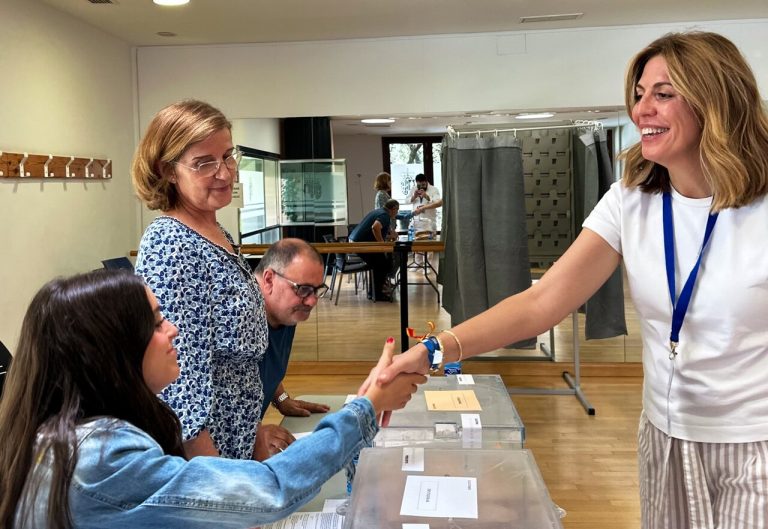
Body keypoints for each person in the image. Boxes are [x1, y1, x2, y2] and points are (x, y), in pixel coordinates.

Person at [370, 32, 768, 529]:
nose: (643, 109)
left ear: (717, 101)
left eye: (664, 94)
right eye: (640, 94)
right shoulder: (631, 199)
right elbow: (542, 302)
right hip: (666, 437)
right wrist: (432, 350)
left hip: (754, 443)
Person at [0, 270, 424, 529]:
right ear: (111, 348)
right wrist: (364, 406)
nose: (174, 331)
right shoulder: (100, 458)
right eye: (156, 321)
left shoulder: (75, 438)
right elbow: (268, 490)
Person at [132, 99, 272, 461]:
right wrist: (216, 484)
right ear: (168, 171)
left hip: (236, 431)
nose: (224, 173)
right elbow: (180, 382)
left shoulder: (213, 228)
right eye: (204, 163)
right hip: (205, 449)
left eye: (227, 156)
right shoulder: (172, 244)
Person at [252, 239, 331, 457]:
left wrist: (281, 399)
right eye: (303, 289)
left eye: (317, 290)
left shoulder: (285, 313)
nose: (312, 301)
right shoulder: (240, 317)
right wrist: (252, 434)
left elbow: (265, 365)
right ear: (269, 279)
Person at [349, 199, 400, 302]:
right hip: (359, 245)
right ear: (393, 209)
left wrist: (390, 234)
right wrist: (382, 245)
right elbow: (375, 227)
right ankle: (377, 293)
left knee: (381, 262)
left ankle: (376, 290)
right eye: (397, 210)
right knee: (382, 264)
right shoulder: (385, 215)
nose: (397, 212)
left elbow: (378, 229)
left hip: (355, 241)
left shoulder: (379, 211)